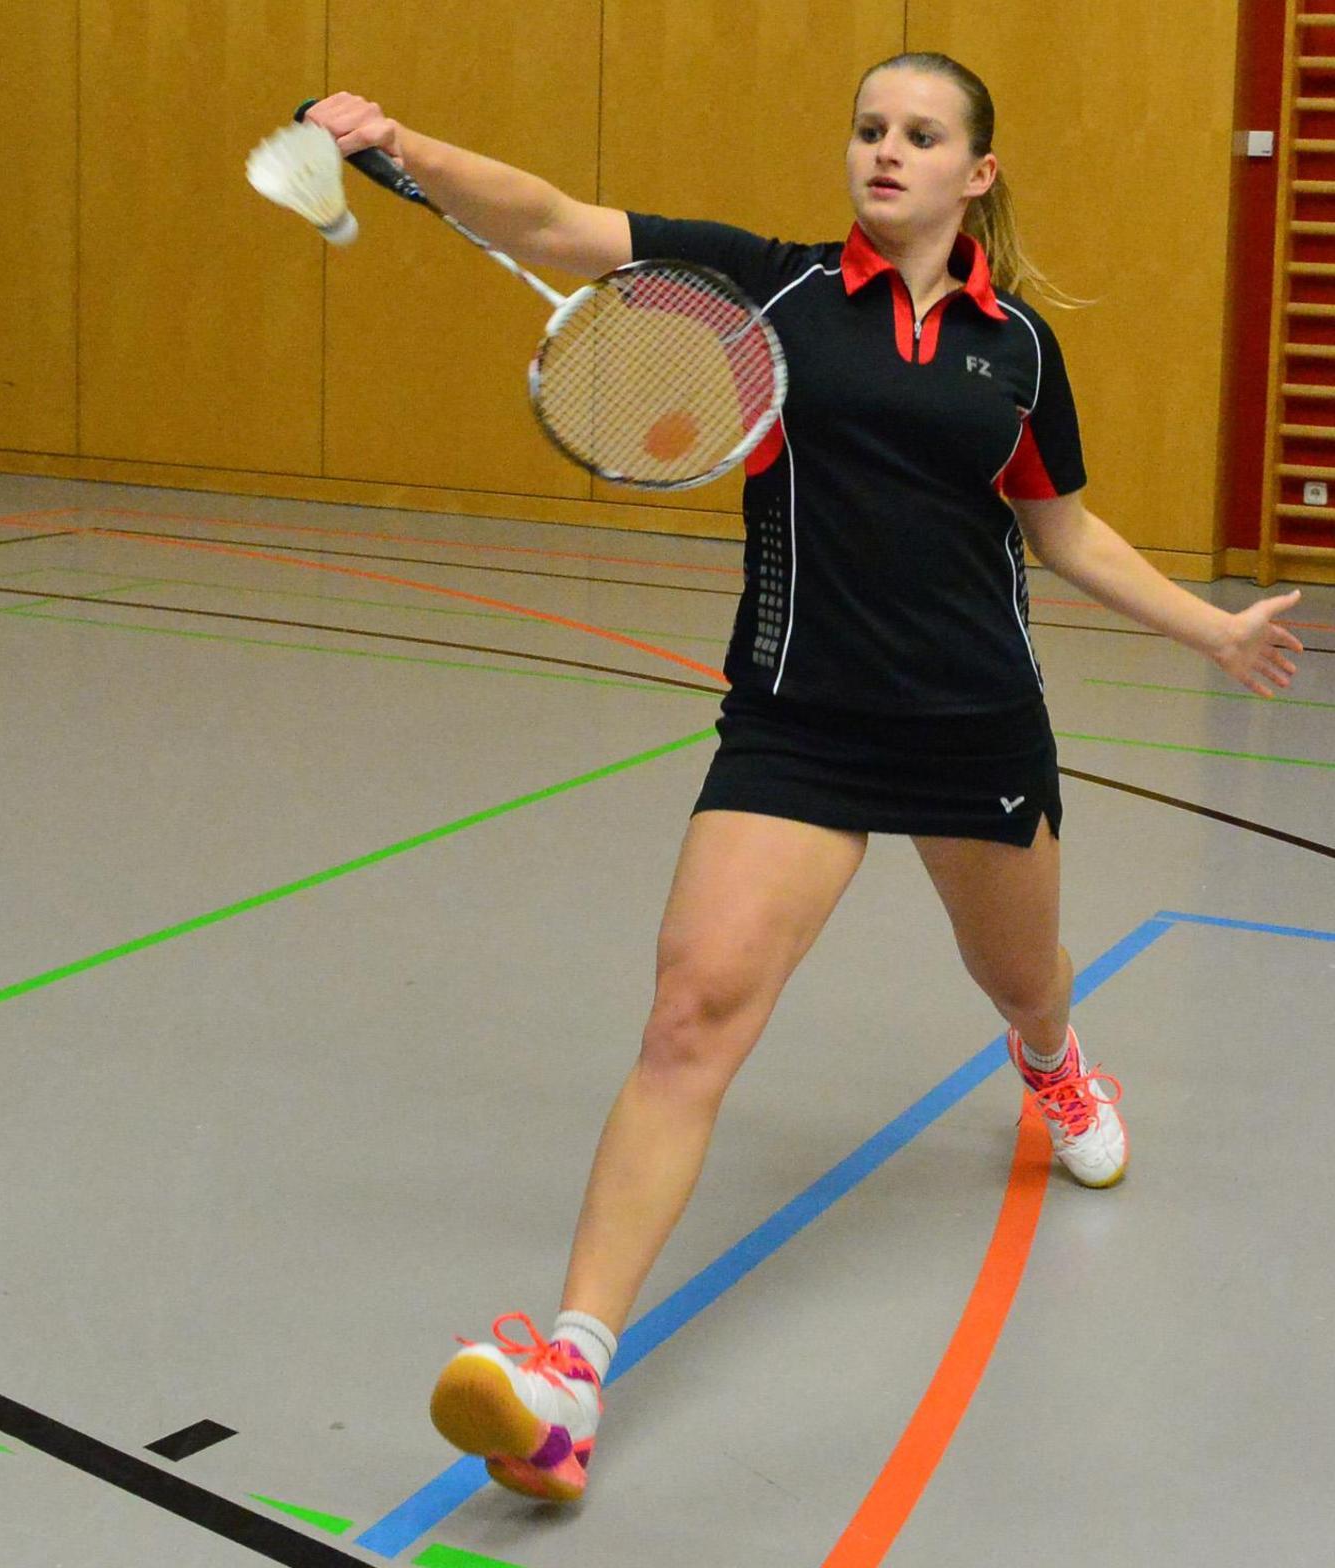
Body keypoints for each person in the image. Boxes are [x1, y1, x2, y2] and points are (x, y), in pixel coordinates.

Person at [307, 53, 1304, 1505]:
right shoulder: (763, 289)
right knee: (689, 1017)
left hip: (974, 728)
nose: (884, 152)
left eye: (921, 135)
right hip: (799, 725)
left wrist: (1214, 626)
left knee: (1025, 980)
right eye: (868, 129)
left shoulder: (1014, 347)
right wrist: (405, 146)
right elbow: (554, 223)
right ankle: (567, 1377)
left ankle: (1051, 1064)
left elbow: (1064, 534)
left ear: (979, 175)